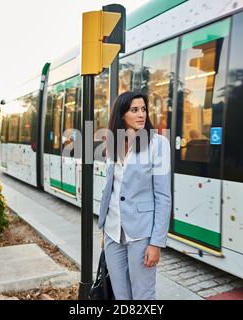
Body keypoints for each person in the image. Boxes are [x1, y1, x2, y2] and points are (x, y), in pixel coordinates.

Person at [98, 91, 172, 300]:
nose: (141, 114)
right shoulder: (113, 143)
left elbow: (163, 196)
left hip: (141, 234)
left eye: (143, 109)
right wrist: (105, 230)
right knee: (121, 296)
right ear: (122, 115)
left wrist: (156, 243)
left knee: (143, 296)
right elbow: (110, 190)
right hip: (113, 231)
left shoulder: (158, 144)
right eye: (134, 110)